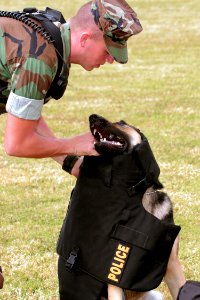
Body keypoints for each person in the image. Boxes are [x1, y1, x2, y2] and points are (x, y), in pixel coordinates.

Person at [0, 0, 142, 290]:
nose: (111, 60)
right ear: (85, 38)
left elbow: (28, 118)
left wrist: (71, 162)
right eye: (108, 50)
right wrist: (77, 143)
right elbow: (16, 143)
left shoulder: (46, 38)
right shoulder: (40, 57)